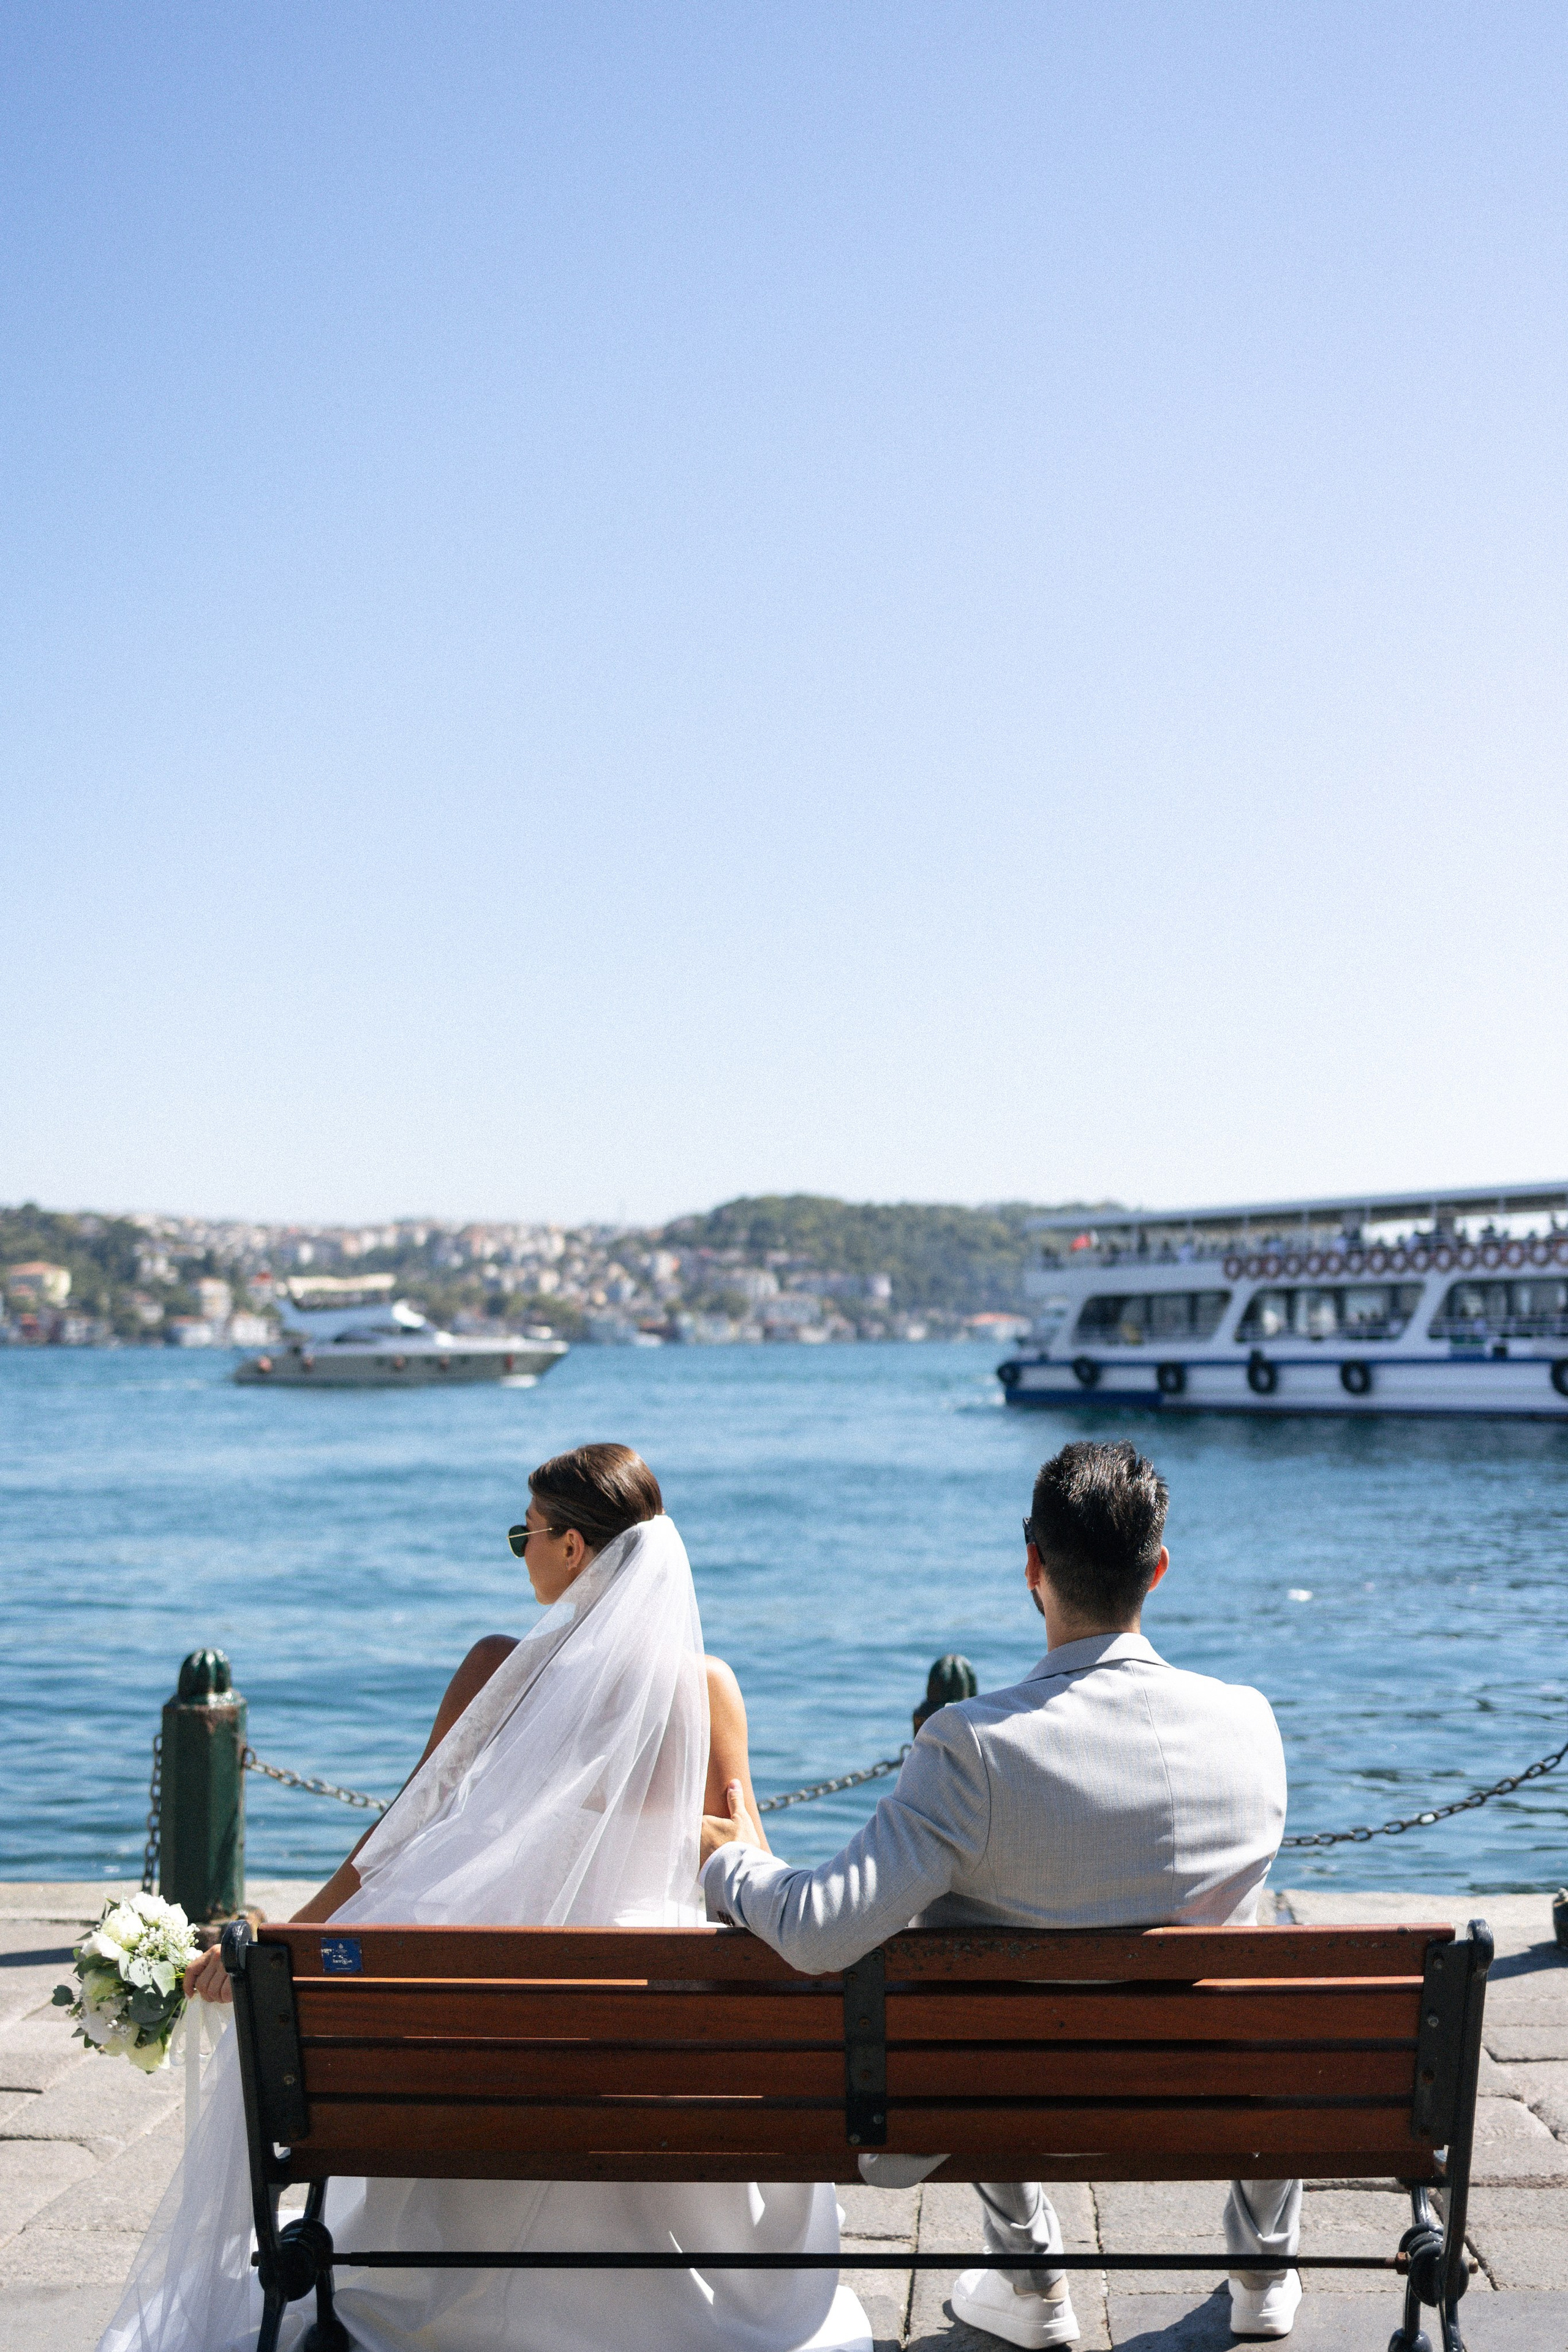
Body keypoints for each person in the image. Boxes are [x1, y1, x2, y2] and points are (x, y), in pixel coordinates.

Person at [101, 1444, 870, 2352]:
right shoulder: (710, 1689)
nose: (522, 1552)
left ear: (576, 1549)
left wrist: (280, 1942)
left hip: (483, 2078)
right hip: (659, 2080)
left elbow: (393, 1844)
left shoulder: (497, 1670)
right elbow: (750, 1876)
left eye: (526, 1535)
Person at [701, 1439, 1295, 2351]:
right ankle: (1261, 2273)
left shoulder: (973, 1747)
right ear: (1158, 1569)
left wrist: (729, 1863)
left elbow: (820, 1932)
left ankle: (1032, 2280)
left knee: (968, 1953)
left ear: (1033, 1567)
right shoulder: (1250, 1723)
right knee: (1263, 1939)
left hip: (999, 2093)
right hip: (1212, 2087)